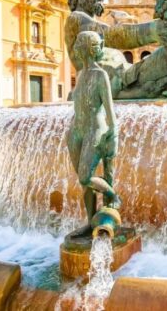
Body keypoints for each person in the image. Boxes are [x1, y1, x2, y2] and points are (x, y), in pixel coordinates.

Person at [66, 31, 120, 239]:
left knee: (86, 176)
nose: (75, 48)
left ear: (87, 48)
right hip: (76, 131)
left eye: (78, 44)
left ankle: (112, 195)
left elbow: (109, 108)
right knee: (84, 183)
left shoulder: (100, 75)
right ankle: (90, 223)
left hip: (94, 130)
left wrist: (113, 133)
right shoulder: (81, 74)